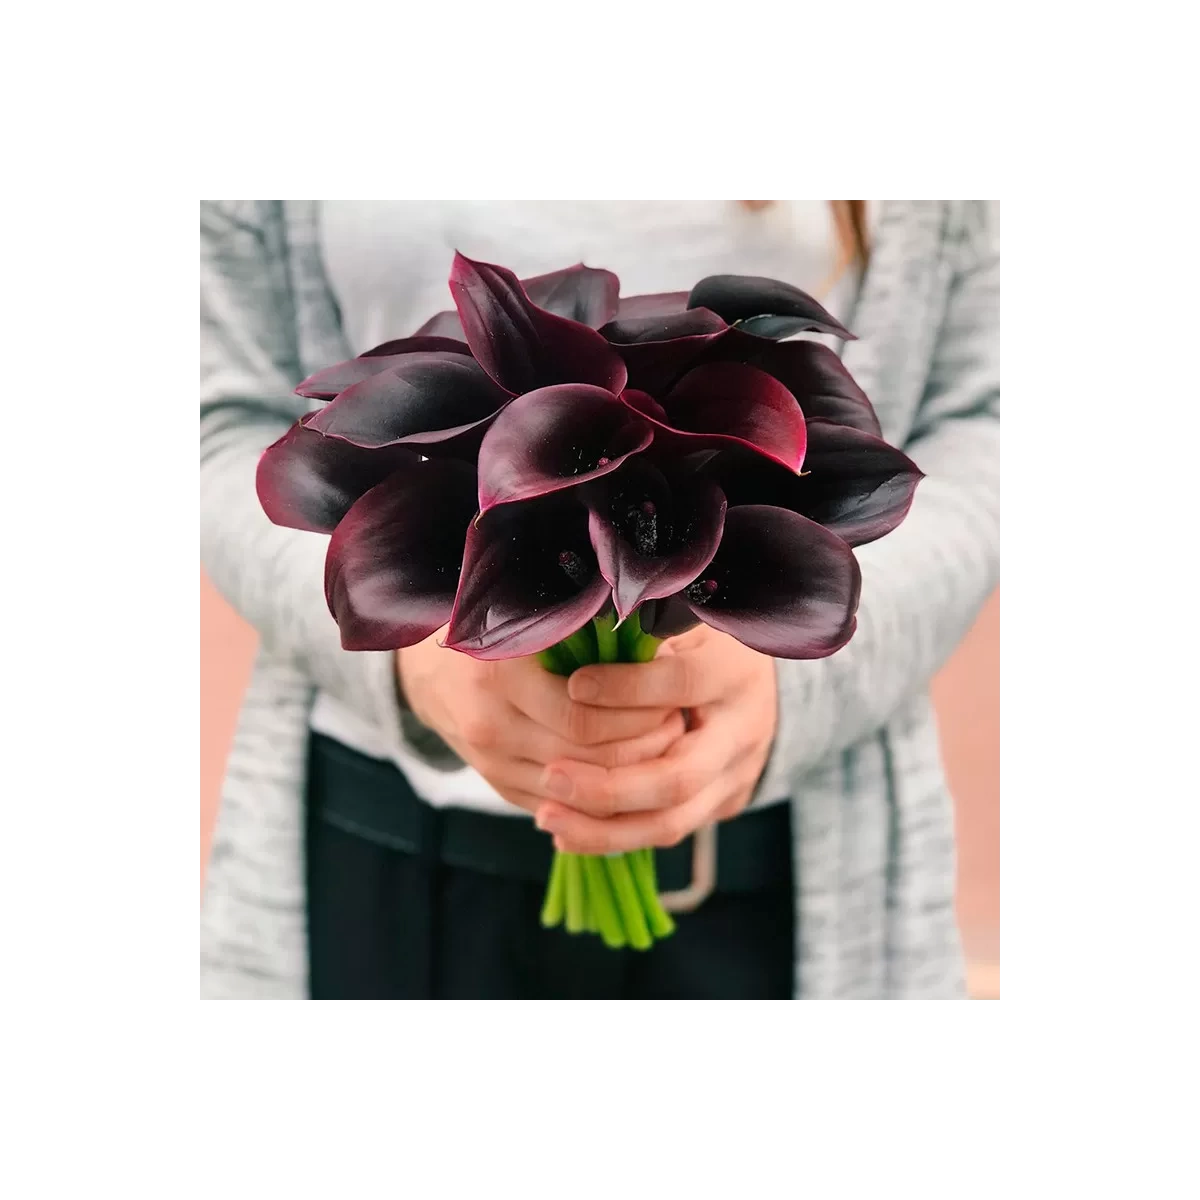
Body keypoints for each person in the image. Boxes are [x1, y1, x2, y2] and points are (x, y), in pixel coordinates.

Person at [200, 200, 999, 1000]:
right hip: (390, 852)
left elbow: (983, 425)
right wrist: (419, 672)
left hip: (784, 870)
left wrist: (789, 695)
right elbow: (217, 425)